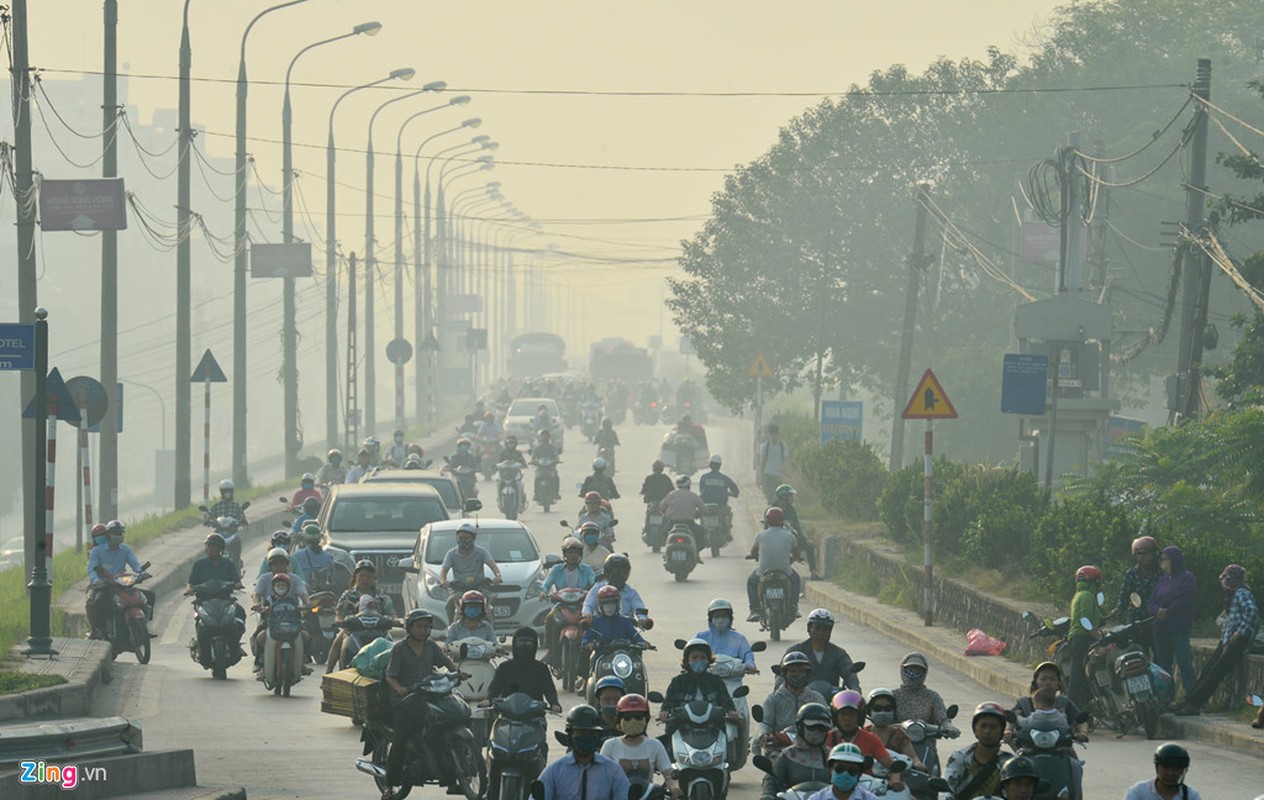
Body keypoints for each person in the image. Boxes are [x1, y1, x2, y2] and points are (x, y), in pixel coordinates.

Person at [382, 609, 457, 795]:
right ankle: (389, 785)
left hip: (429, 696)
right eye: (419, 627)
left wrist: (458, 672)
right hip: (405, 702)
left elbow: (447, 662)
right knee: (400, 741)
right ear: (410, 628)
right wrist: (400, 689)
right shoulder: (400, 649)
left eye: (426, 627)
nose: (423, 630)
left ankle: (452, 779)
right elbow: (390, 677)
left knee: (444, 729)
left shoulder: (431, 646)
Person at [1173, 564, 1259, 715]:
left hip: (1237, 640)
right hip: (1227, 639)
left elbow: (1252, 612)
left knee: (1216, 673)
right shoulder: (1232, 595)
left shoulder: (1241, 593)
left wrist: (1240, 632)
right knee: (1208, 670)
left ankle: (1194, 705)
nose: (1223, 581)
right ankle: (1188, 700)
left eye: (1226, 578)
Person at [658, 638, 737, 753]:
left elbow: (726, 701)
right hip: (682, 726)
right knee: (667, 746)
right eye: (694, 657)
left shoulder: (716, 681)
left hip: (712, 726)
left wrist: (731, 711)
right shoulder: (678, 681)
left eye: (702, 657)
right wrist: (664, 711)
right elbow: (668, 702)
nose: (698, 660)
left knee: (728, 742)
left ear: (708, 660)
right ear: (687, 661)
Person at [536, 704, 630, 800]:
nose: (586, 737)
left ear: (598, 736)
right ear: (570, 735)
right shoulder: (555, 771)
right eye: (581, 732)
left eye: (591, 733)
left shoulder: (613, 771)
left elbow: (624, 796)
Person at [824, 690, 905, 791]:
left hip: (864, 791)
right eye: (843, 714)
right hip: (831, 790)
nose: (847, 718)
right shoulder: (826, 738)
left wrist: (895, 780)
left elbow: (890, 764)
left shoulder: (870, 739)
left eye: (852, 714)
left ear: (860, 716)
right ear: (835, 716)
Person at [601, 694, 678, 798]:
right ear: (619, 720)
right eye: (627, 717)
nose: (633, 721)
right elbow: (599, 775)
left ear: (646, 719)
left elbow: (669, 773)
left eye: (638, 717)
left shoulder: (654, 745)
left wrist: (673, 786)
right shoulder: (610, 745)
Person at [326, 559, 395, 673]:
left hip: (379, 631)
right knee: (338, 641)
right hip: (353, 630)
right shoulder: (348, 595)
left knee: (394, 647)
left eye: (368, 576)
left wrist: (394, 621)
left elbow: (392, 614)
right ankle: (328, 673)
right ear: (355, 577)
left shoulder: (382, 596)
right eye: (362, 576)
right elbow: (339, 615)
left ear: (373, 578)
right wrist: (342, 622)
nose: (365, 579)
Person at [1148, 546, 1197, 697]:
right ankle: (1167, 698)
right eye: (1161, 560)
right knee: (1164, 667)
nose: (1163, 563)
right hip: (1160, 629)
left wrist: (1168, 611)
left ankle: (1193, 697)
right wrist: (1157, 611)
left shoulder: (1187, 577)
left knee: (1184, 663)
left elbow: (1185, 599)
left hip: (1178, 628)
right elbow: (1150, 602)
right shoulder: (1162, 580)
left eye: (1165, 559)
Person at [251, 548, 310, 670]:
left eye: (282, 563)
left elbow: (303, 594)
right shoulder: (264, 578)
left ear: (287, 564)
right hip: (270, 617)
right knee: (261, 637)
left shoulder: (295, 579)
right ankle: (260, 661)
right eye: (275, 563)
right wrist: (257, 604)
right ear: (270, 566)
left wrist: (307, 604)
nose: (279, 566)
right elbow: (256, 594)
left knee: (305, 636)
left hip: (292, 618)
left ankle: (302, 660)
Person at [86, 520, 145, 639]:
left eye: (120, 533)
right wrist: (96, 580)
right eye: (115, 533)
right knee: (98, 602)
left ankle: (143, 627)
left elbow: (135, 563)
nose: (118, 536)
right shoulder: (97, 551)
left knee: (146, 597)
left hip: (122, 583)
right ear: (108, 534)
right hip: (105, 585)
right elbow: (92, 569)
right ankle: (102, 630)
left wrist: (142, 573)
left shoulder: (125, 549)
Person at [540, 538, 597, 662]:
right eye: (570, 552)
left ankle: (591, 649)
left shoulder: (586, 569)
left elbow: (594, 582)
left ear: (580, 554)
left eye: (576, 552)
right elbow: (546, 584)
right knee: (550, 618)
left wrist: (596, 589)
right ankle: (550, 650)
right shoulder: (557, 569)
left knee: (591, 620)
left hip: (581, 604)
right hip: (561, 604)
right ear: (564, 554)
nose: (572, 555)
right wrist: (544, 591)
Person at [761, 702, 833, 800]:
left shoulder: (832, 757)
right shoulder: (787, 755)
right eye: (811, 727)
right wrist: (768, 795)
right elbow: (772, 780)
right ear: (800, 727)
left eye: (821, 728)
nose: (816, 732)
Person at [758, 651, 826, 754]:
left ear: (807, 674)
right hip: (780, 749)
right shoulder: (773, 699)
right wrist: (765, 735)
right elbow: (765, 723)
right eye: (793, 671)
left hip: (812, 748)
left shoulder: (816, 697)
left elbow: (827, 720)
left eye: (801, 671)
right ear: (784, 674)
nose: (798, 675)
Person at [943, 702, 1013, 800]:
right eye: (983, 726)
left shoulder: (1009, 763)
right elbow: (946, 789)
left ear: (1001, 730)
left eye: (993, 727)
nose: (987, 731)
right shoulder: (959, 757)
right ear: (975, 729)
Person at [1006, 662, 1088, 745]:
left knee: (1072, 756)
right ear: (1035, 682)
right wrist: (1008, 730)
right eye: (1043, 679)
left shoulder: (1064, 702)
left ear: (1058, 682)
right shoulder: (1024, 703)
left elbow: (1079, 721)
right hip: (1028, 747)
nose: (1048, 683)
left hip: (1060, 748)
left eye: (1052, 679)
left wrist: (1082, 733)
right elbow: (1011, 719)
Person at [486, 626, 561, 712]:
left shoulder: (541, 668)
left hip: (534, 715)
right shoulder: (504, 667)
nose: (524, 647)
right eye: (521, 644)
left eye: (529, 644)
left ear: (535, 645)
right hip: (507, 714)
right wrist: (488, 699)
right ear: (514, 644)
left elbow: (549, 690)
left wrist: (554, 703)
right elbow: (495, 687)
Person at [746, 507, 801, 622]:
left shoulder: (760, 536)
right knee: (796, 580)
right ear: (782, 521)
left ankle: (755, 609)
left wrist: (752, 555)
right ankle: (793, 606)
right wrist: (797, 558)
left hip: (763, 572)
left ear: (767, 521)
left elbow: (753, 552)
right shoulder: (789, 536)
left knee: (751, 582)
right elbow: (796, 553)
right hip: (785, 572)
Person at [784, 608, 860, 690]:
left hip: (831, 700)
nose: (820, 633)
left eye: (825, 630)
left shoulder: (839, 654)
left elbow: (849, 674)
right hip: (801, 699)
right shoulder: (795, 652)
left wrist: (855, 690)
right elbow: (781, 676)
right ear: (809, 628)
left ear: (830, 631)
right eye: (817, 628)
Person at [891, 653, 959, 736]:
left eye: (918, 670)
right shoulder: (893, 696)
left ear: (925, 672)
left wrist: (949, 727)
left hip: (926, 743)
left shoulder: (932, 697)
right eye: (910, 669)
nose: (913, 673)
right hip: (897, 743)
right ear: (902, 670)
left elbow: (942, 718)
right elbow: (883, 716)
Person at [864, 688, 927, 772]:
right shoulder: (864, 733)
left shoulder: (898, 734)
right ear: (869, 711)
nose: (883, 712)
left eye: (888, 708)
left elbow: (913, 757)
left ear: (894, 711)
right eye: (877, 708)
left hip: (895, 779)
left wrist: (917, 764)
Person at [1066, 565, 1102, 709]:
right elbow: (1085, 619)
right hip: (1084, 638)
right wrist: (1097, 635)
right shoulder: (1087, 595)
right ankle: (1074, 709)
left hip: (1076, 638)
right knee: (1081, 677)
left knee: (1078, 675)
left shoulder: (1079, 594)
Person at [695, 598, 758, 674]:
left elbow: (747, 654)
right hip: (706, 680)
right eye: (717, 616)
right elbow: (693, 654)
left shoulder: (739, 638)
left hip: (734, 679)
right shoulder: (701, 637)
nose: (720, 619)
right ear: (711, 619)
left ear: (730, 618)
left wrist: (750, 665)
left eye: (723, 616)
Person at [1112, 535, 1162, 628]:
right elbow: (1124, 596)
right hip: (1136, 620)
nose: (1143, 556)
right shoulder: (1131, 574)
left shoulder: (1162, 574)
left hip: (1157, 620)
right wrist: (1118, 609)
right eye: (1139, 553)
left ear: (1154, 553)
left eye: (1146, 553)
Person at [1123, 743, 1203, 800]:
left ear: (1183, 771)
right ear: (1157, 768)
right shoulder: (1139, 792)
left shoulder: (1191, 796)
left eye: (1176, 769)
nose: (1170, 773)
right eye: (1165, 768)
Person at [803, 742, 882, 800]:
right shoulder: (817, 798)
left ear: (859, 774)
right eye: (840, 769)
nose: (845, 774)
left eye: (852, 770)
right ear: (830, 769)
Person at [775, 483, 822, 580]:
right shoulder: (772, 510)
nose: (792, 498)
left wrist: (806, 538)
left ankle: (813, 573)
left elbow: (798, 526)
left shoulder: (791, 510)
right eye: (790, 496)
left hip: (792, 540)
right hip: (778, 542)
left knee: (809, 546)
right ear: (783, 497)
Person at [438, 523, 503, 592]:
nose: (462, 541)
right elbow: (443, 571)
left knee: (488, 597)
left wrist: (498, 577)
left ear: (473, 538)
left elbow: (493, 566)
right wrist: (443, 581)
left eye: (466, 538)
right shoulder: (451, 554)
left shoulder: (481, 552)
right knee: (452, 600)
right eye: (460, 538)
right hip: (459, 588)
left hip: (479, 587)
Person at [582, 553, 649, 621]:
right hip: (600, 628)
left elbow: (640, 609)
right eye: (613, 572)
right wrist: (587, 614)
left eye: (621, 572)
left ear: (627, 573)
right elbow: (588, 605)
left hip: (625, 628)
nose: (617, 576)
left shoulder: (631, 593)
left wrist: (642, 620)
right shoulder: (597, 588)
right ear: (607, 572)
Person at [582, 586, 647, 650]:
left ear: (618, 604)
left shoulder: (625, 621)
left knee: (637, 659)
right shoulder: (595, 622)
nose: (609, 606)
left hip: (624, 655)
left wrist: (643, 643)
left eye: (612, 603)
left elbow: (636, 636)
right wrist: (588, 644)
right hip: (601, 655)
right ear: (600, 605)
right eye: (606, 603)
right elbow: (586, 639)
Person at [659, 474, 707, 549]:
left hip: (672, 523)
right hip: (689, 524)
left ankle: (666, 554)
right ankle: (696, 554)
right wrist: (697, 514)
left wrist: (667, 513)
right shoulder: (693, 496)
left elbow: (662, 507)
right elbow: (704, 510)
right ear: (688, 485)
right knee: (701, 534)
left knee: (663, 534)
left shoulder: (671, 494)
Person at [697, 454, 739, 533]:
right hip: (720, 505)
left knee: (701, 516)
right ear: (719, 466)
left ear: (710, 465)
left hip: (705, 505)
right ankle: (727, 532)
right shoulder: (724, 478)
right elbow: (735, 490)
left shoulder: (704, 477)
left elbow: (701, 489)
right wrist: (732, 494)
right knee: (728, 513)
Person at [757, 423, 790, 505]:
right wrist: (761, 477)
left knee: (780, 497)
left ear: (778, 434)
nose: (773, 436)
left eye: (774, 434)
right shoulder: (765, 446)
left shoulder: (783, 446)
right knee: (770, 496)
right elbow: (762, 462)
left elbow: (786, 461)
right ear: (769, 434)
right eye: (771, 434)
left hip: (779, 476)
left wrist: (786, 474)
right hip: (768, 475)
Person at [530, 429, 562, 502]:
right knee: (537, 479)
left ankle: (556, 493)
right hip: (540, 469)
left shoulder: (553, 448)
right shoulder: (537, 448)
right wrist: (533, 461)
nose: (545, 438)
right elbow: (533, 457)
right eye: (543, 436)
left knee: (556, 478)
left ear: (549, 437)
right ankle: (536, 494)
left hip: (551, 469)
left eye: (546, 436)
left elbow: (556, 456)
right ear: (540, 438)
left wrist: (556, 460)